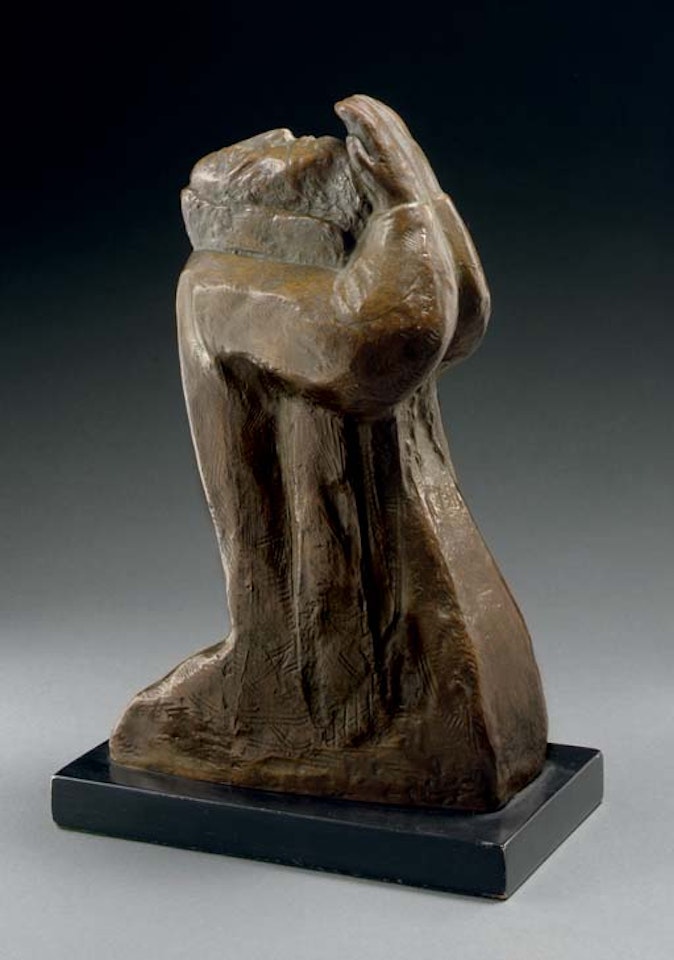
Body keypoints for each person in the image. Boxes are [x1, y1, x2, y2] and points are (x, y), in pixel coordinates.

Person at [111, 96, 547, 810]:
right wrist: (406, 204)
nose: (287, 135)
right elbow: (378, 344)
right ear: (254, 211)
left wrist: (421, 194)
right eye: (270, 150)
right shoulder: (221, 287)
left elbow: (461, 316)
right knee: (382, 686)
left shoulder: (334, 267)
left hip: (397, 596)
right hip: (331, 628)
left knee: (457, 671)